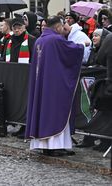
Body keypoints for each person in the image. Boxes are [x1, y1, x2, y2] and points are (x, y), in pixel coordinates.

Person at [25, 16, 84, 157]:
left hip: (43, 84)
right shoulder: (56, 39)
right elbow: (71, 52)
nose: (63, 28)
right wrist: (83, 45)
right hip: (54, 85)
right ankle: (54, 146)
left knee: (46, 112)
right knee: (55, 113)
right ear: (57, 26)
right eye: (62, 26)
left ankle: (52, 146)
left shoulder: (40, 40)